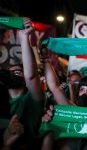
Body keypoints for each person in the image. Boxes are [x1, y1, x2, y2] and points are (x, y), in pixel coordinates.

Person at [6, 17, 44, 149]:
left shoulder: (32, 99)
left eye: (18, 72)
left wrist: (24, 37)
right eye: (10, 73)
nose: (13, 74)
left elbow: (31, 76)